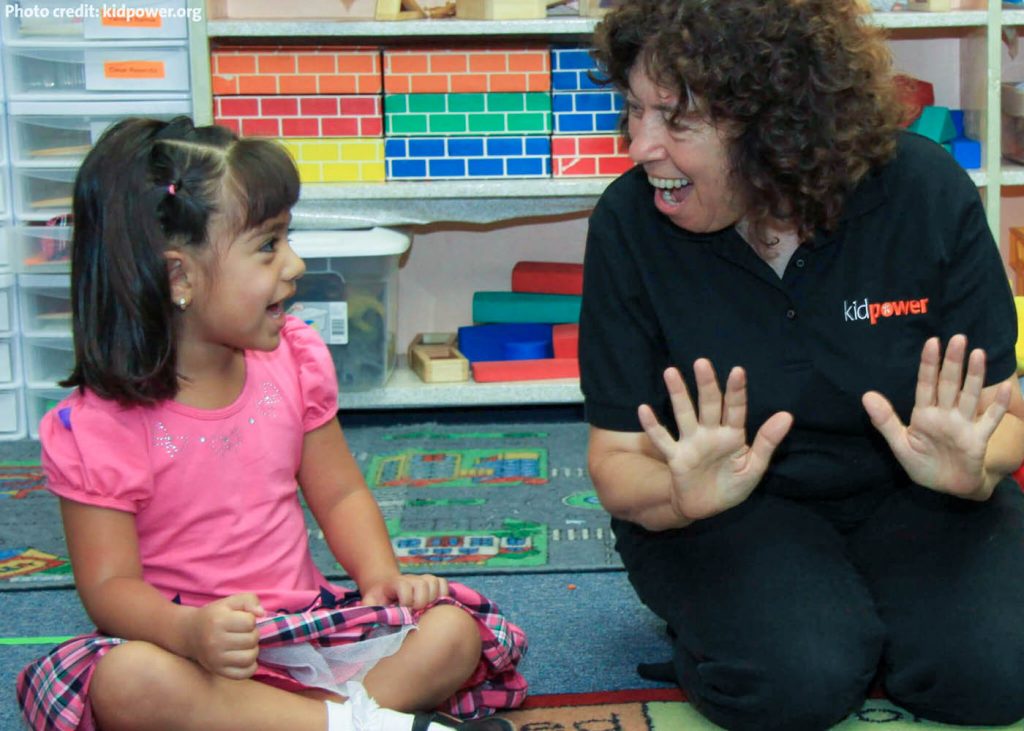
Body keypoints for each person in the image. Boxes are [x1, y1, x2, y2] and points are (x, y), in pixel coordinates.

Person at [578, 1, 1024, 729]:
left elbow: (1005, 417)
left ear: (777, 126)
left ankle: (861, 620)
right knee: (795, 682)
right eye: (634, 111)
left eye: (676, 121)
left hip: (919, 492)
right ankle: (819, 625)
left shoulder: (924, 192)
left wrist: (972, 471)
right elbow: (616, 461)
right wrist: (681, 497)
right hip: (726, 510)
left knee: (996, 673)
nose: (640, 145)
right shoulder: (629, 226)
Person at [16, 116, 525, 731]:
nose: (295, 264)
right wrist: (189, 630)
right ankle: (364, 723)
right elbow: (109, 586)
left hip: (308, 633)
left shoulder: (294, 358)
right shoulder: (100, 426)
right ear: (179, 277)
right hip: (193, 654)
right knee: (128, 683)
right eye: (268, 245)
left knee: (450, 631)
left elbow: (338, 492)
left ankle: (324, 722)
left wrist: (381, 577)